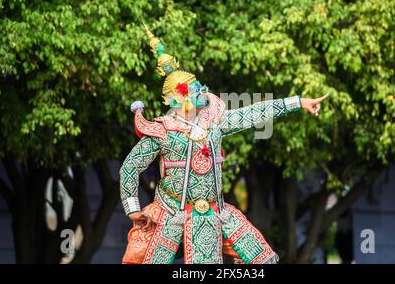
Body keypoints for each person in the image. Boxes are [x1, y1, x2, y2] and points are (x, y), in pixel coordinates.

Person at [120, 24, 329, 264]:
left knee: (265, 261)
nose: (203, 93)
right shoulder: (163, 131)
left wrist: (299, 102)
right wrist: (133, 208)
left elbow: (253, 113)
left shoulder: (213, 122)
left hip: (216, 212)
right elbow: (130, 167)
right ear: (178, 99)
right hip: (171, 215)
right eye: (196, 90)